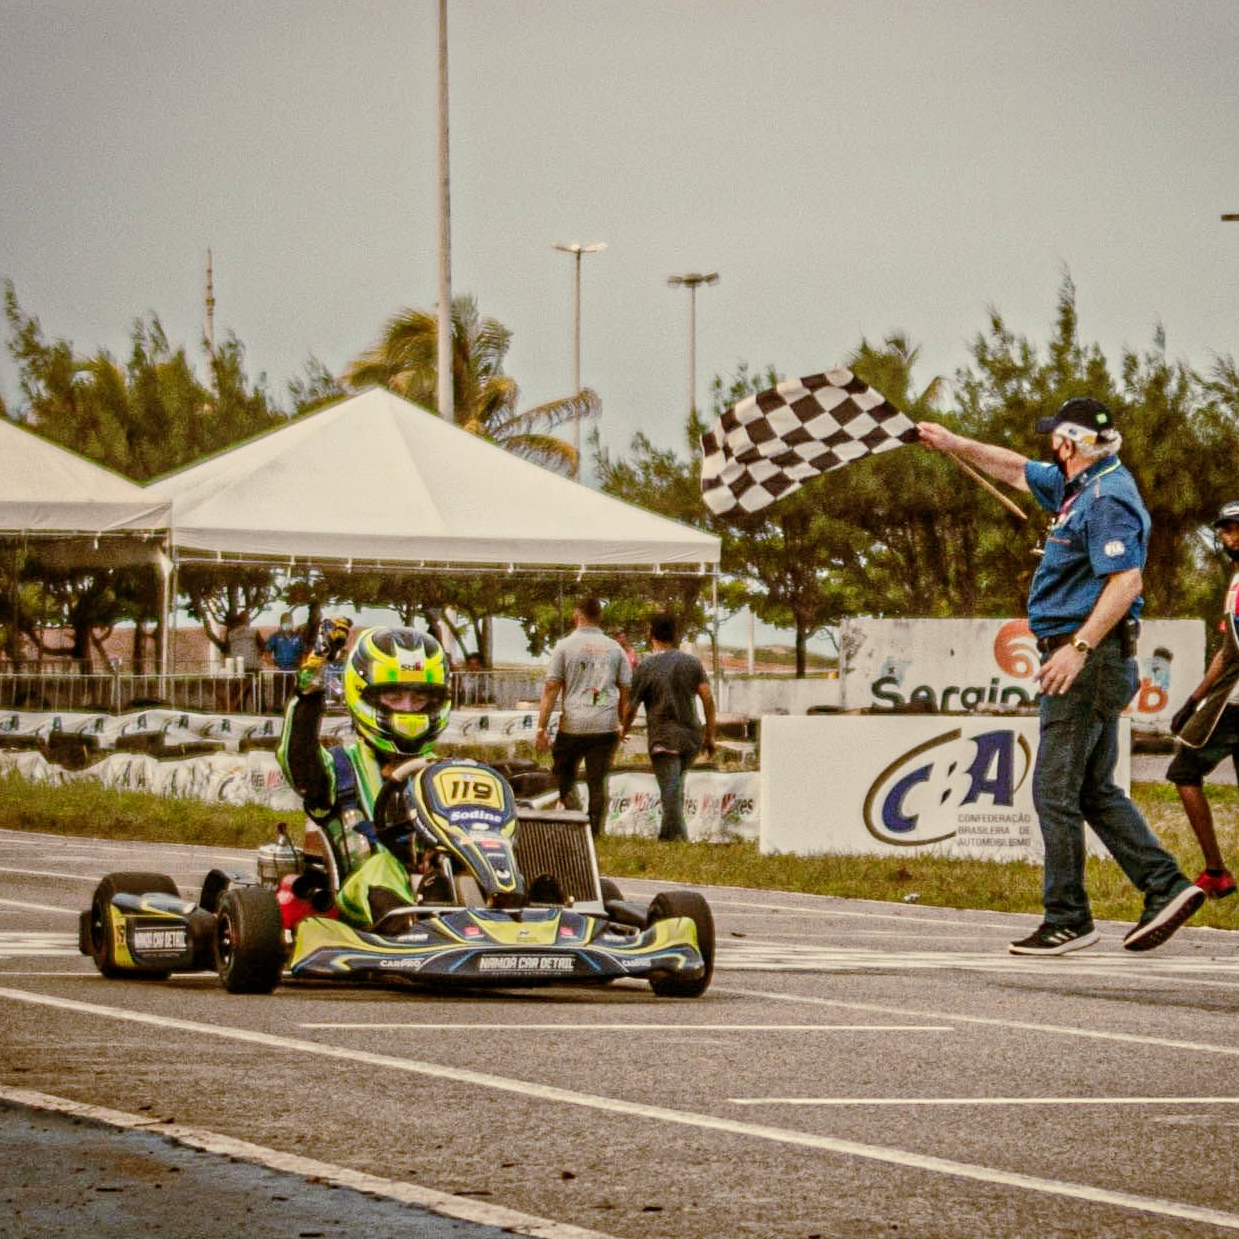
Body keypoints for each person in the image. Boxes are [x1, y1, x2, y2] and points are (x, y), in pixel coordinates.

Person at [918, 397, 1204, 955]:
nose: (1049, 445)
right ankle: (1164, 884)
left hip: (1087, 662)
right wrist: (953, 443)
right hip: (1092, 660)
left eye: (1055, 437)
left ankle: (1069, 917)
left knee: (1054, 790)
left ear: (1067, 443)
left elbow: (1126, 582)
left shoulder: (1106, 498)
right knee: (1093, 789)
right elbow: (1014, 470)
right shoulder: (1081, 485)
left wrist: (1077, 646)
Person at [276, 618, 452, 927]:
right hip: (364, 900)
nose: (408, 709)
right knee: (381, 866)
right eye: (395, 697)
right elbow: (298, 763)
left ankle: (533, 915)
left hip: (445, 889)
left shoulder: (448, 771)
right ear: (365, 696)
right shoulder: (340, 769)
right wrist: (310, 685)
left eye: (420, 699)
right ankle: (411, 928)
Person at [1165, 500, 1239, 899]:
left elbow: (1231, 655)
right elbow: (1226, 649)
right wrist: (1192, 699)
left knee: (1183, 771)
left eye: (1235, 529)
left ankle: (1215, 871)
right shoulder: (1235, 580)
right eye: (1225, 530)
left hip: (1232, 704)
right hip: (1226, 698)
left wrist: (1197, 703)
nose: (1229, 537)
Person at [535, 596, 631, 837]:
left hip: (573, 725)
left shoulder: (564, 646)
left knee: (563, 774)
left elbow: (551, 689)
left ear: (576, 617)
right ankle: (595, 832)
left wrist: (541, 728)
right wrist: (622, 724)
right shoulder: (615, 648)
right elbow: (626, 690)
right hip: (605, 725)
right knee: (597, 781)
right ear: (600, 618)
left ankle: (570, 818)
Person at [621, 611, 716, 842]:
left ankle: (677, 840)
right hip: (691, 738)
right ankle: (667, 837)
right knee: (673, 788)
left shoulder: (646, 667)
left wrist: (622, 730)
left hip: (664, 739)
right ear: (674, 634)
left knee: (670, 791)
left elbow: (631, 707)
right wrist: (710, 735)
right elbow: (707, 698)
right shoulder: (691, 663)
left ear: (650, 633)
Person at [264, 613, 305, 711]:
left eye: (289, 622)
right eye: (285, 622)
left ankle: (290, 708)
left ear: (292, 623)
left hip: (293, 669)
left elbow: (303, 652)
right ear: (281, 623)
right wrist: (272, 664)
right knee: (278, 689)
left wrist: (302, 665)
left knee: (291, 690)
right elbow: (266, 652)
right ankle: (277, 708)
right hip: (280, 669)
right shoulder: (275, 637)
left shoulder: (298, 637)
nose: (287, 624)